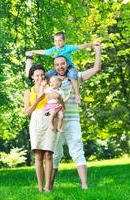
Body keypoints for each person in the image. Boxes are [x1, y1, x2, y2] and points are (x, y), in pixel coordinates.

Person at [25, 41, 101, 190]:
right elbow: (32, 76)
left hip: (72, 120)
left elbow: (96, 69)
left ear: (67, 64)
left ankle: (84, 185)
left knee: (77, 150)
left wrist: (97, 50)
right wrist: (29, 57)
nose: (60, 66)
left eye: (62, 64)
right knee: (54, 154)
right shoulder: (50, 82)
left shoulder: (76, 77)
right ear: (54, 67)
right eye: (57, 64)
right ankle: (49, 187)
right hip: (53, 121)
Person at [26, 31, 93, 104]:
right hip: (57, 69)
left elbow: (79, 47)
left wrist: (91, 44)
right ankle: (49, 93)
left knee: (73, 76)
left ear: (64, 41)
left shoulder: (68, 47)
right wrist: (33, 51)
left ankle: (77, 95)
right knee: (46, 76)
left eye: (60, 41)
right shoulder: (54, 50)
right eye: (55, 41)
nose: (57, 43)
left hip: (69, 67)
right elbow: (44, 52)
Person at [24, 64, 57, 192]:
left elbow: (56, 103)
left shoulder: (50, 88)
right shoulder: (29, 91)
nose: (40, 77)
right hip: (36, 120)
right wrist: (38, 99)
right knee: (38, 155)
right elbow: (27, 112)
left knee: (48, 154)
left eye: (42, 75)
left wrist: (46, 92)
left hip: (49, 118)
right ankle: (40, 188)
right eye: (37, 75)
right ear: (32, 77)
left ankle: (48, 187)